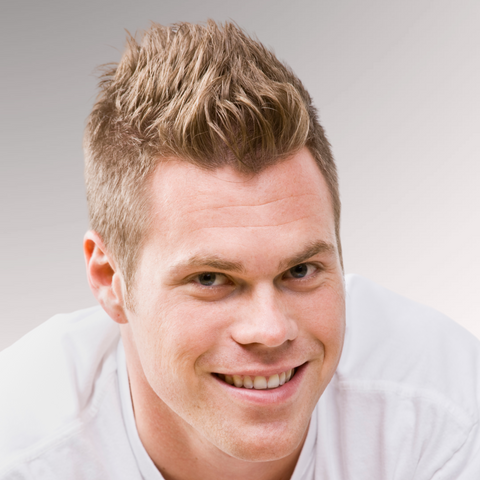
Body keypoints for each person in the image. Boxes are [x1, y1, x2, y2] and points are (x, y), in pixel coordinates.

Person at [0, 20, 479, 480]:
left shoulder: (444, 410)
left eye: (300, 270)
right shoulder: (20, 452)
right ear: (110, 280)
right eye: (210, 278)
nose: (270, 331)